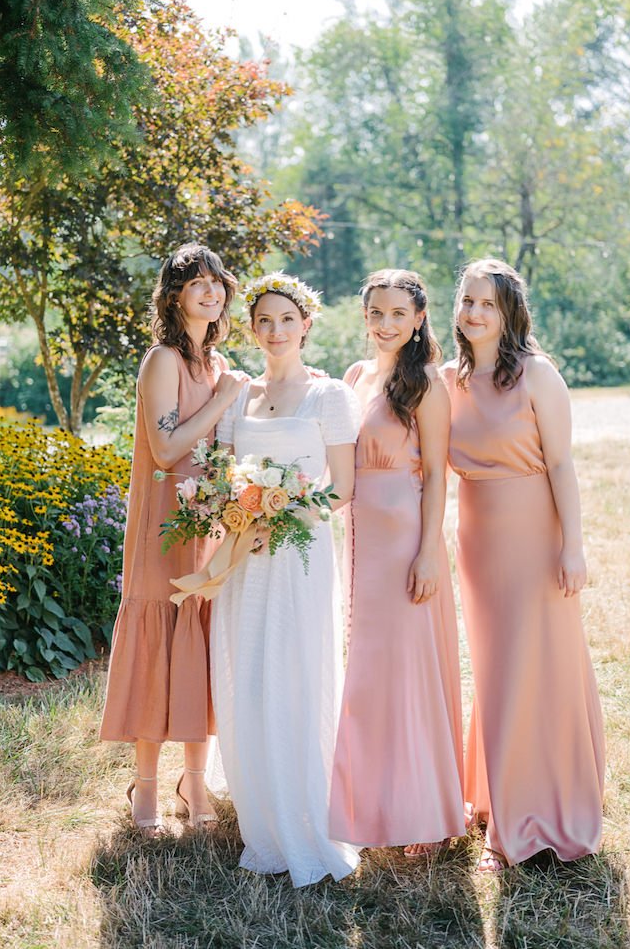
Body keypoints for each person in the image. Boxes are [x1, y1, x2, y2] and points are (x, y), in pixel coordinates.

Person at [445, 258, 605, 872]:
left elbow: (562, 466)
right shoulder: (446, 381)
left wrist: (573, 546)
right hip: (478, 544)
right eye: (466, 301)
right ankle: (496, 796)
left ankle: (533, 816)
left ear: (509, 311)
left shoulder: (537, 376)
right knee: (496, 673)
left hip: (536, 539)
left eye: (487, 303)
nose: (475, 313)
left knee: (540, 667)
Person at [208, 272, 363, 884]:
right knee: (246, 671)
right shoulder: (238, 397)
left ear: (306, 326)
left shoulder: (328, 397)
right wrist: (242, 510)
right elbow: (220, 476)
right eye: (263, 321)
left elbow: (343, 489)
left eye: (286, 321)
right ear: (251, 329)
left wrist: (283, 512)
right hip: (246, 556)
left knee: (296, 672)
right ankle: (259, 810)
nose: (275, 332)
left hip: (298, 554)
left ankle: (304, 809)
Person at [99, 244, 244, 835]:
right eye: (197, 284)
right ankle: (147, 785)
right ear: (175, 295)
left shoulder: (218, 362)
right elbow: (165, 448)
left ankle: (195, 781)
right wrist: (226, 399)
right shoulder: (163, 360)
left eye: (217, 283)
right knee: (158, 634)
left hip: (207, 519)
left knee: (200, 641)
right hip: (163, 519)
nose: (211, 292)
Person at [329, 269, 467, 856]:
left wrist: (429, 551)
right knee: (367, 672)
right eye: (376, 314)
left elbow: (437, 474)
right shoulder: (356, 377)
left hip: (406, 537)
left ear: (418, 319)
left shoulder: (428, 385)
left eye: (397, 314)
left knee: (408, 671)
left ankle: (424, 812)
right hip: (358, 538)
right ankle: (376, 805)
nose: (385, 325)